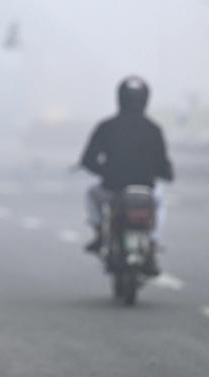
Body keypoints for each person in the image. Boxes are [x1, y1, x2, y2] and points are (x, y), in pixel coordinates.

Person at [80, 76, 174, 273]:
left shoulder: (107, 126)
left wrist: (105, 171)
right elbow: (163, 163)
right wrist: (165, 173)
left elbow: (88, 159)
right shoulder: (153, 129)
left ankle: (99, 233)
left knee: (91, 193)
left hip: (112, 188)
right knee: (161, 200)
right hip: (146, 188)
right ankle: (153, 240)